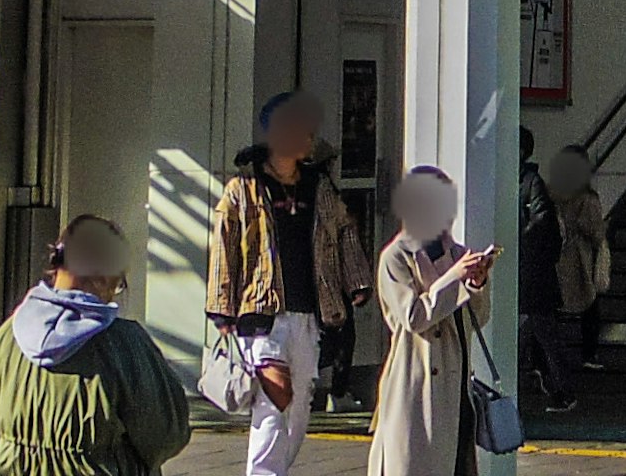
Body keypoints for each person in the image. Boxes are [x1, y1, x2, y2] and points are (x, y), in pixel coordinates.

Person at [205, 93, 366, 476]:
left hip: (309, 308)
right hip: (260, 312)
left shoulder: (318, 186)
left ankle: (275, 470)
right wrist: (221, 306)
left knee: (300, 404)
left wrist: (356, 281)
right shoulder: (243, 188)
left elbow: (342, 231)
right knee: (274, 398)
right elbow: (224, 246)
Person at [0, 215, 191, 476]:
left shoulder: (6, 337)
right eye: (119, 282)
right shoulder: (124, 345)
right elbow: (166, 432)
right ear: (103, 276)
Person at [364, 168, 491, 476]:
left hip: (455, 386)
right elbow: (412, 317)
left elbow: (478, 319)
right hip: (415, 383)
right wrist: (455, 278)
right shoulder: (396, 256)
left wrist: (476, 284)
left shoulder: (457, 252)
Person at [513, 137, 570, 412]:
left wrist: (517, 244)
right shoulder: (517, 181)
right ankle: (558, 388)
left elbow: (541, 222)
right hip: (526, 278)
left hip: (531, 277)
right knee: (542, 337)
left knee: (535, 335)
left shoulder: (531, 182)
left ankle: (560, 389)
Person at [541, 144, 608, 366]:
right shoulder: (586, 197)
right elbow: (596, 231)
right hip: (580, 259)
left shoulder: (550, 193)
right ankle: (589, 354)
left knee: (550, 310)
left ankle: (541, 360)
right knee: (590, 305)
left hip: (554, 257)